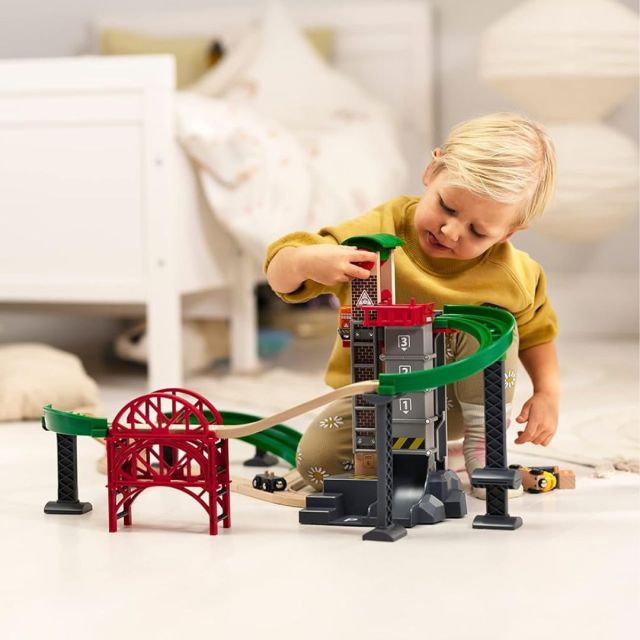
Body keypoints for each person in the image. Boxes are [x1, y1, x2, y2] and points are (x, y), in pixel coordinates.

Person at [264, 112, 559, 497]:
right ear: (432, 170)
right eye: (448, 207)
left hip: (457, 404)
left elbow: (537, 331)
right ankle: (425, 460)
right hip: (373, 398)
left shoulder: (512, 272)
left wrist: (547, 393)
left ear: (508, 232)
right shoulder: (376, 231)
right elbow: (279, 271)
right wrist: (310, 260)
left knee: (493, 324)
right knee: (318, 467)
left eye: (477, 231)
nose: (451, 231)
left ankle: (481, 444)